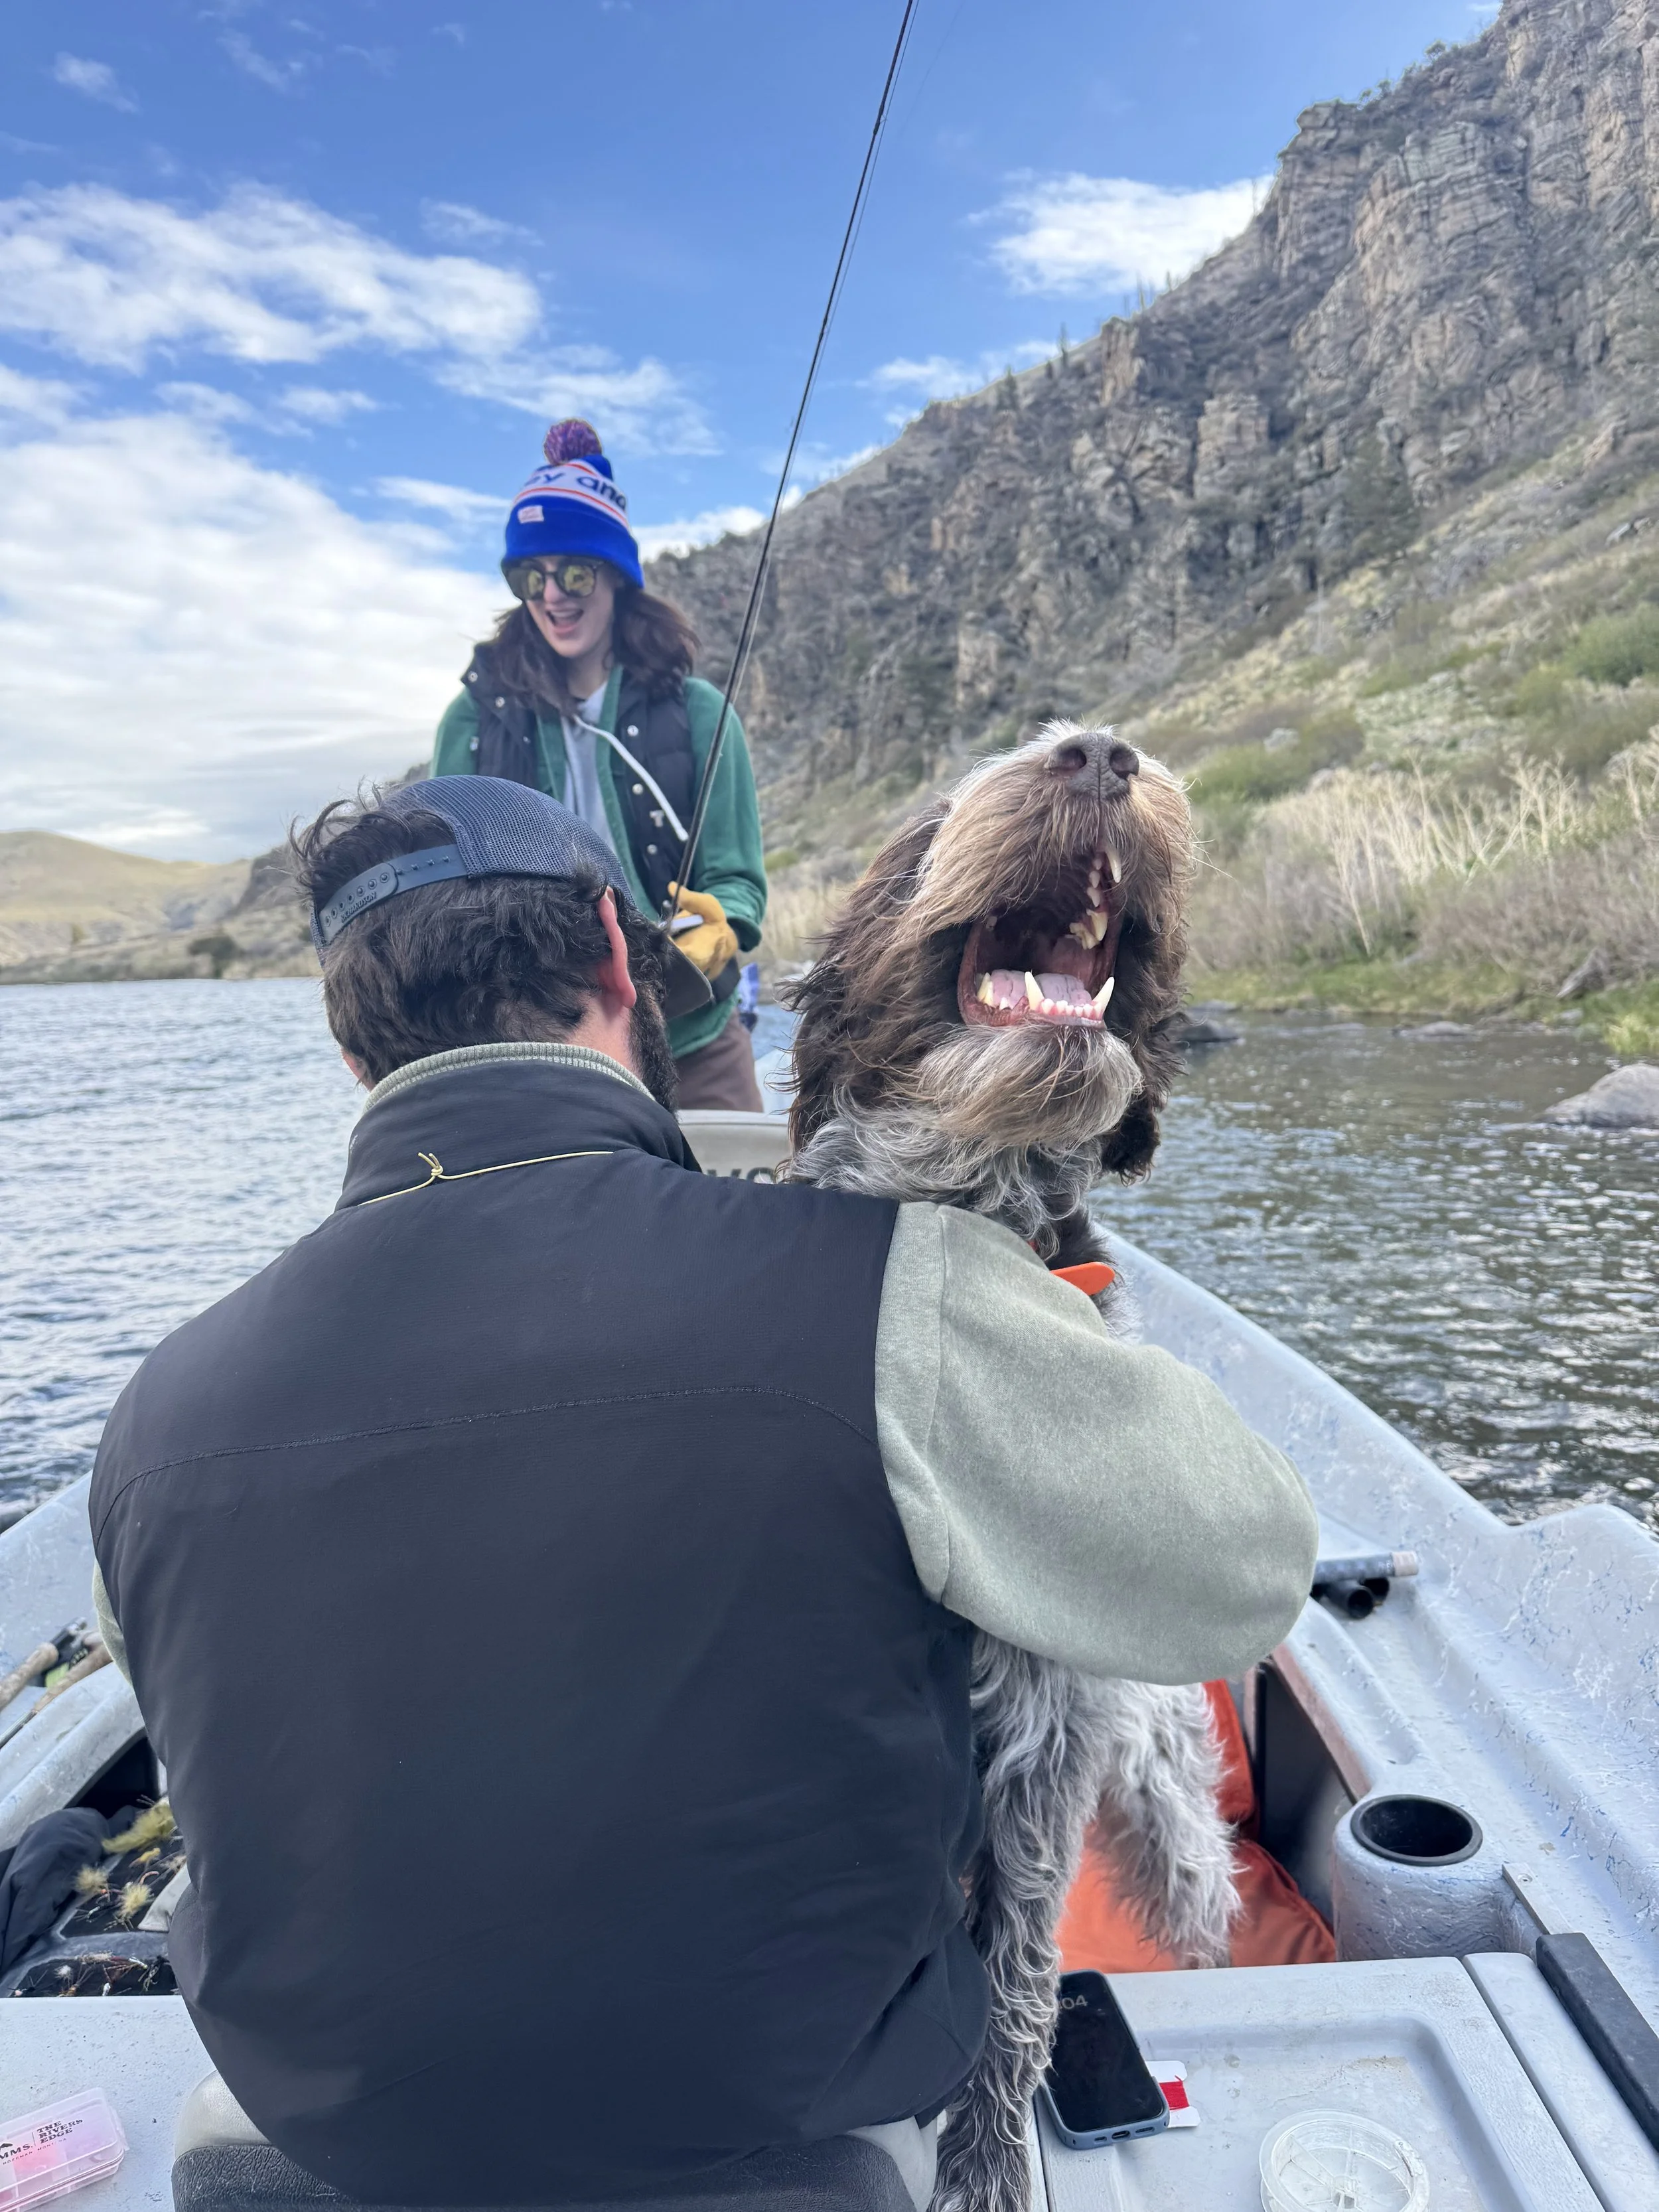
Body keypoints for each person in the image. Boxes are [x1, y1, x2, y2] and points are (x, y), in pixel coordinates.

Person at [90, 777, 1319, 2209]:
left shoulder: (150, 1422)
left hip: (329, 2154)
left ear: (346, 1037)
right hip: (791, 2137)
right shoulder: (887, 1290)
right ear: (622, 964)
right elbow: (1242, 1569)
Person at [432, 417, 767, 1110]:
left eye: (575, 572)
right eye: (532, 575)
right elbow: (442, 899)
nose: (553, 595)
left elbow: (737, 880)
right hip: (535, 1057)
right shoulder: (467, 726)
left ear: (614, 575)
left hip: (693, 1043)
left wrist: (724, 925)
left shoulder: (704, 714)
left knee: (735, 1216)